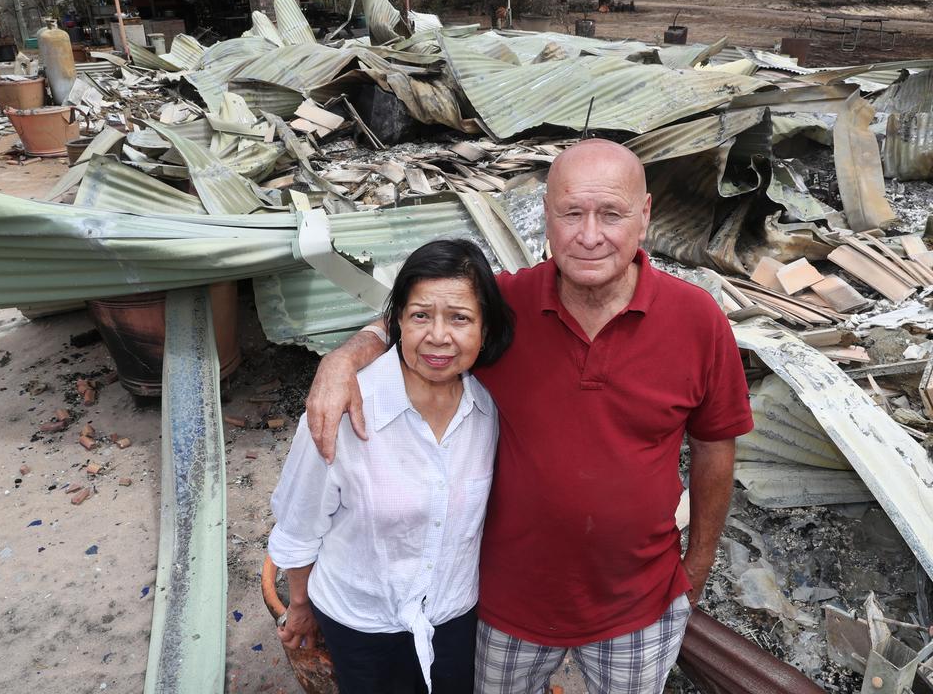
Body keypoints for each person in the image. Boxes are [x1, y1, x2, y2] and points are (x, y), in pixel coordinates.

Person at [304, 139, 754, 694]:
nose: (590, 235)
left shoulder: (697, 320)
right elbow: (423, 319)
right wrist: (345, 357)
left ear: (644, 216)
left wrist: (699, 563)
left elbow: (715, 444)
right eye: (571, 214)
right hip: (504, 606)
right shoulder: (504, 307)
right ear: (546, 217)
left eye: (610, 214)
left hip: (640, 603)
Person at [268, 239, 515, 693]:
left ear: (485, 329)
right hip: (362, 621)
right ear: (397, 320)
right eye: (421, 315)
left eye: (460, 318)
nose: (438, 336)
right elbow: (299, 526)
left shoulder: (489, 412)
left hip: (452, 614)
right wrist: (300, 605)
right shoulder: (339, 412)